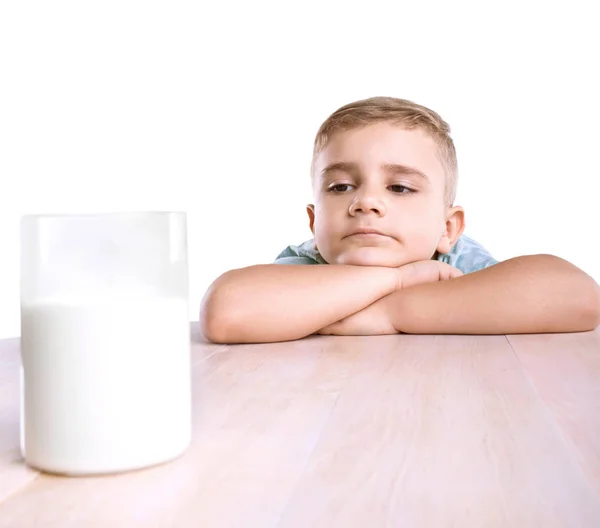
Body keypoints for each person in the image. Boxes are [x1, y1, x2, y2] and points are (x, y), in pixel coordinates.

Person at [200, 97, 600, 343]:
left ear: (448, 228)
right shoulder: (308, 265)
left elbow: (578, 297)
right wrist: (396, 279)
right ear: (313, 221)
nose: (365, 201)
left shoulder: (455, 263)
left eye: (401, 188)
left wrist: (389, 313)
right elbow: (226, 313)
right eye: (340, 187)